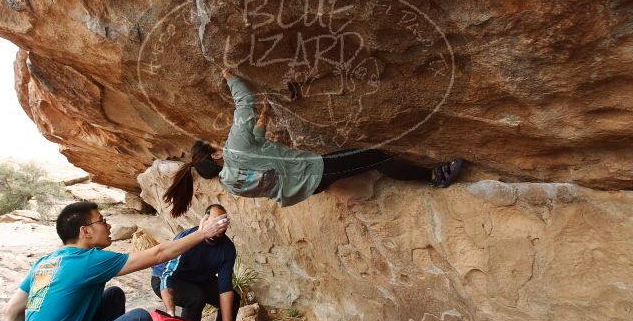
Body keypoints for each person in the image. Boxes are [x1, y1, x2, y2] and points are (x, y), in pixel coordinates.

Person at [2, 201, 228, 321]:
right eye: (102, 220)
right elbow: (158, 255)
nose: (108, 225)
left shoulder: (46, 262)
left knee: (113, 296)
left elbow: (11, 312)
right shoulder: (88, 261)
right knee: (139, 319)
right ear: (85, 231)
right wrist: (201, 233)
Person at [163, 70, 464, 216]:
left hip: (304, 189)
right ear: (214, 153)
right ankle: (433, 177)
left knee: (356, 162)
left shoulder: (229, 181)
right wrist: (230, 76)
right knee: (376, 157)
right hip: (313, 171)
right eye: (213, 144)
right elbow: (244, 102)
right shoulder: (234, 148)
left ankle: (420, 174)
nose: (218, 142)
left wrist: (263, 121)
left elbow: (257, 150)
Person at [151, 204, 240, 321]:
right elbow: (168, 276)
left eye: (223, 221)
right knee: (196, 297)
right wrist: (171, 314)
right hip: (164, 278)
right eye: (215, 220)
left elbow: (225, 287)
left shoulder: (228, 248)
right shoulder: (187, 238)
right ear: (205, 220)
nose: (220, 225)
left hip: (197, 278)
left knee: (234, 299)